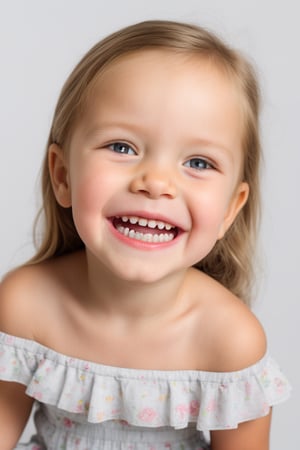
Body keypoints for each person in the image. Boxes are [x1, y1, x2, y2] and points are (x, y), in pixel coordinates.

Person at [0, 20, 290, 450]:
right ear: (63, 176)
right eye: (122, 147)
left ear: (230, 208)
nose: (156, 182)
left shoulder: (230, 340)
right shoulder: (25, 304)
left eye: (198, 162)